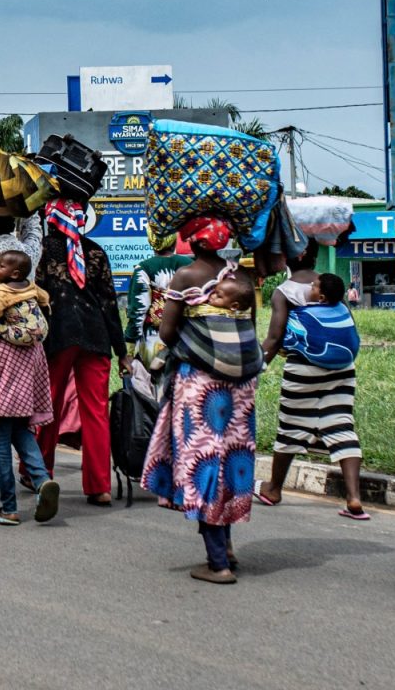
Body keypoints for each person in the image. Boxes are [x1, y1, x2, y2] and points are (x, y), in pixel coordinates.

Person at [141, 217, 263, 584]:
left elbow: (167, 332)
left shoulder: (186, 276)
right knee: (231, 456)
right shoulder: (240, 276)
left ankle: (217, 563)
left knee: (203, 458)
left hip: (199, 382)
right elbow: (251, 323)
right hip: (242, 384)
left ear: (192, 243)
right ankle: (226, 547)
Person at [35, 199, 129, 506]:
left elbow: (36, 297)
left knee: (48, 406)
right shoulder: (96, 252)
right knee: (97, 413)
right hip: (96, 336)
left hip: (58, 337)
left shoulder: (43, 251)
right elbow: (110, 304)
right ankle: (99, 487)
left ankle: (39, 473)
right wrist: (122, 351)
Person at [258, 271, 367, 518]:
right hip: (343, 371)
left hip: (302, 371)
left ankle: (273, 489)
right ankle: (354, 497)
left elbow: (279, 340)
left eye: (315, 287)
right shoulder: (342, 308)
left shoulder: (287, 297)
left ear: (321, 296)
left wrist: (255, 369)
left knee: (290, 427)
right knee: (342, 426)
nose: (310, 287)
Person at [0, 249, 60, 525]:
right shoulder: (33, 294)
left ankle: (9, 508)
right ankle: (42, 480)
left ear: (14, 272)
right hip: (28, 371)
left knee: (0, 442)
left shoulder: (0, 296)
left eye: (1, 266)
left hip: (0, 371)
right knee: (22, 431)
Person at [126, 236, 192, 379]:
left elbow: (137, 311)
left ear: (152, 242)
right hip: (187, 338)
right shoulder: (190, 265)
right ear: (174, 241)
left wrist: (130, 349)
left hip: (153, 339)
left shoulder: (144, 268)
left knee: (153, 385)